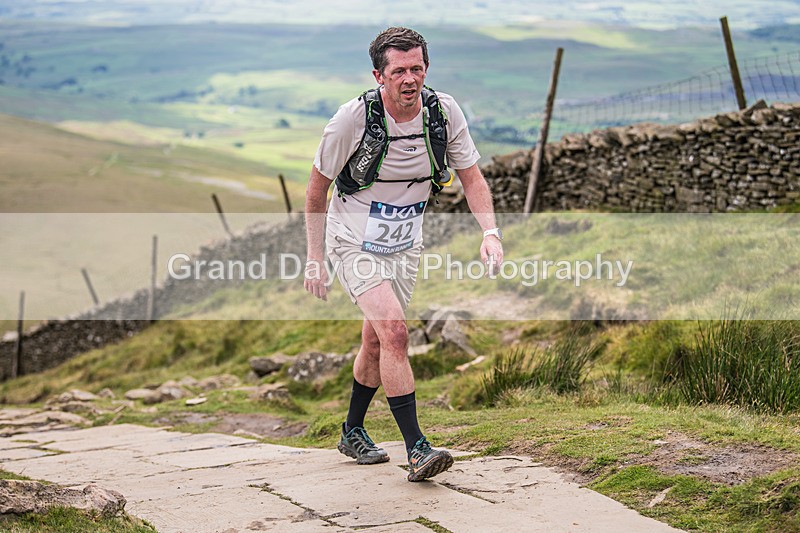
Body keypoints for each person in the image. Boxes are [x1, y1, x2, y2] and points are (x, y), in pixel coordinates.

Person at [304, 26, 503, 482]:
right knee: (395, 331)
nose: (410, 78)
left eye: (417, 68)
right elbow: (318, 188)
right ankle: (417, 448)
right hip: (350, 238)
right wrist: (315, 257)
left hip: (404, 245)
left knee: (375, 339)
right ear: (379, 75)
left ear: (426, 68)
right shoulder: (352, 120)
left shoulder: (444, 112)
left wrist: (490, 232)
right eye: (399, 71)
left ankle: (352, 430)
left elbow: (472, 178)